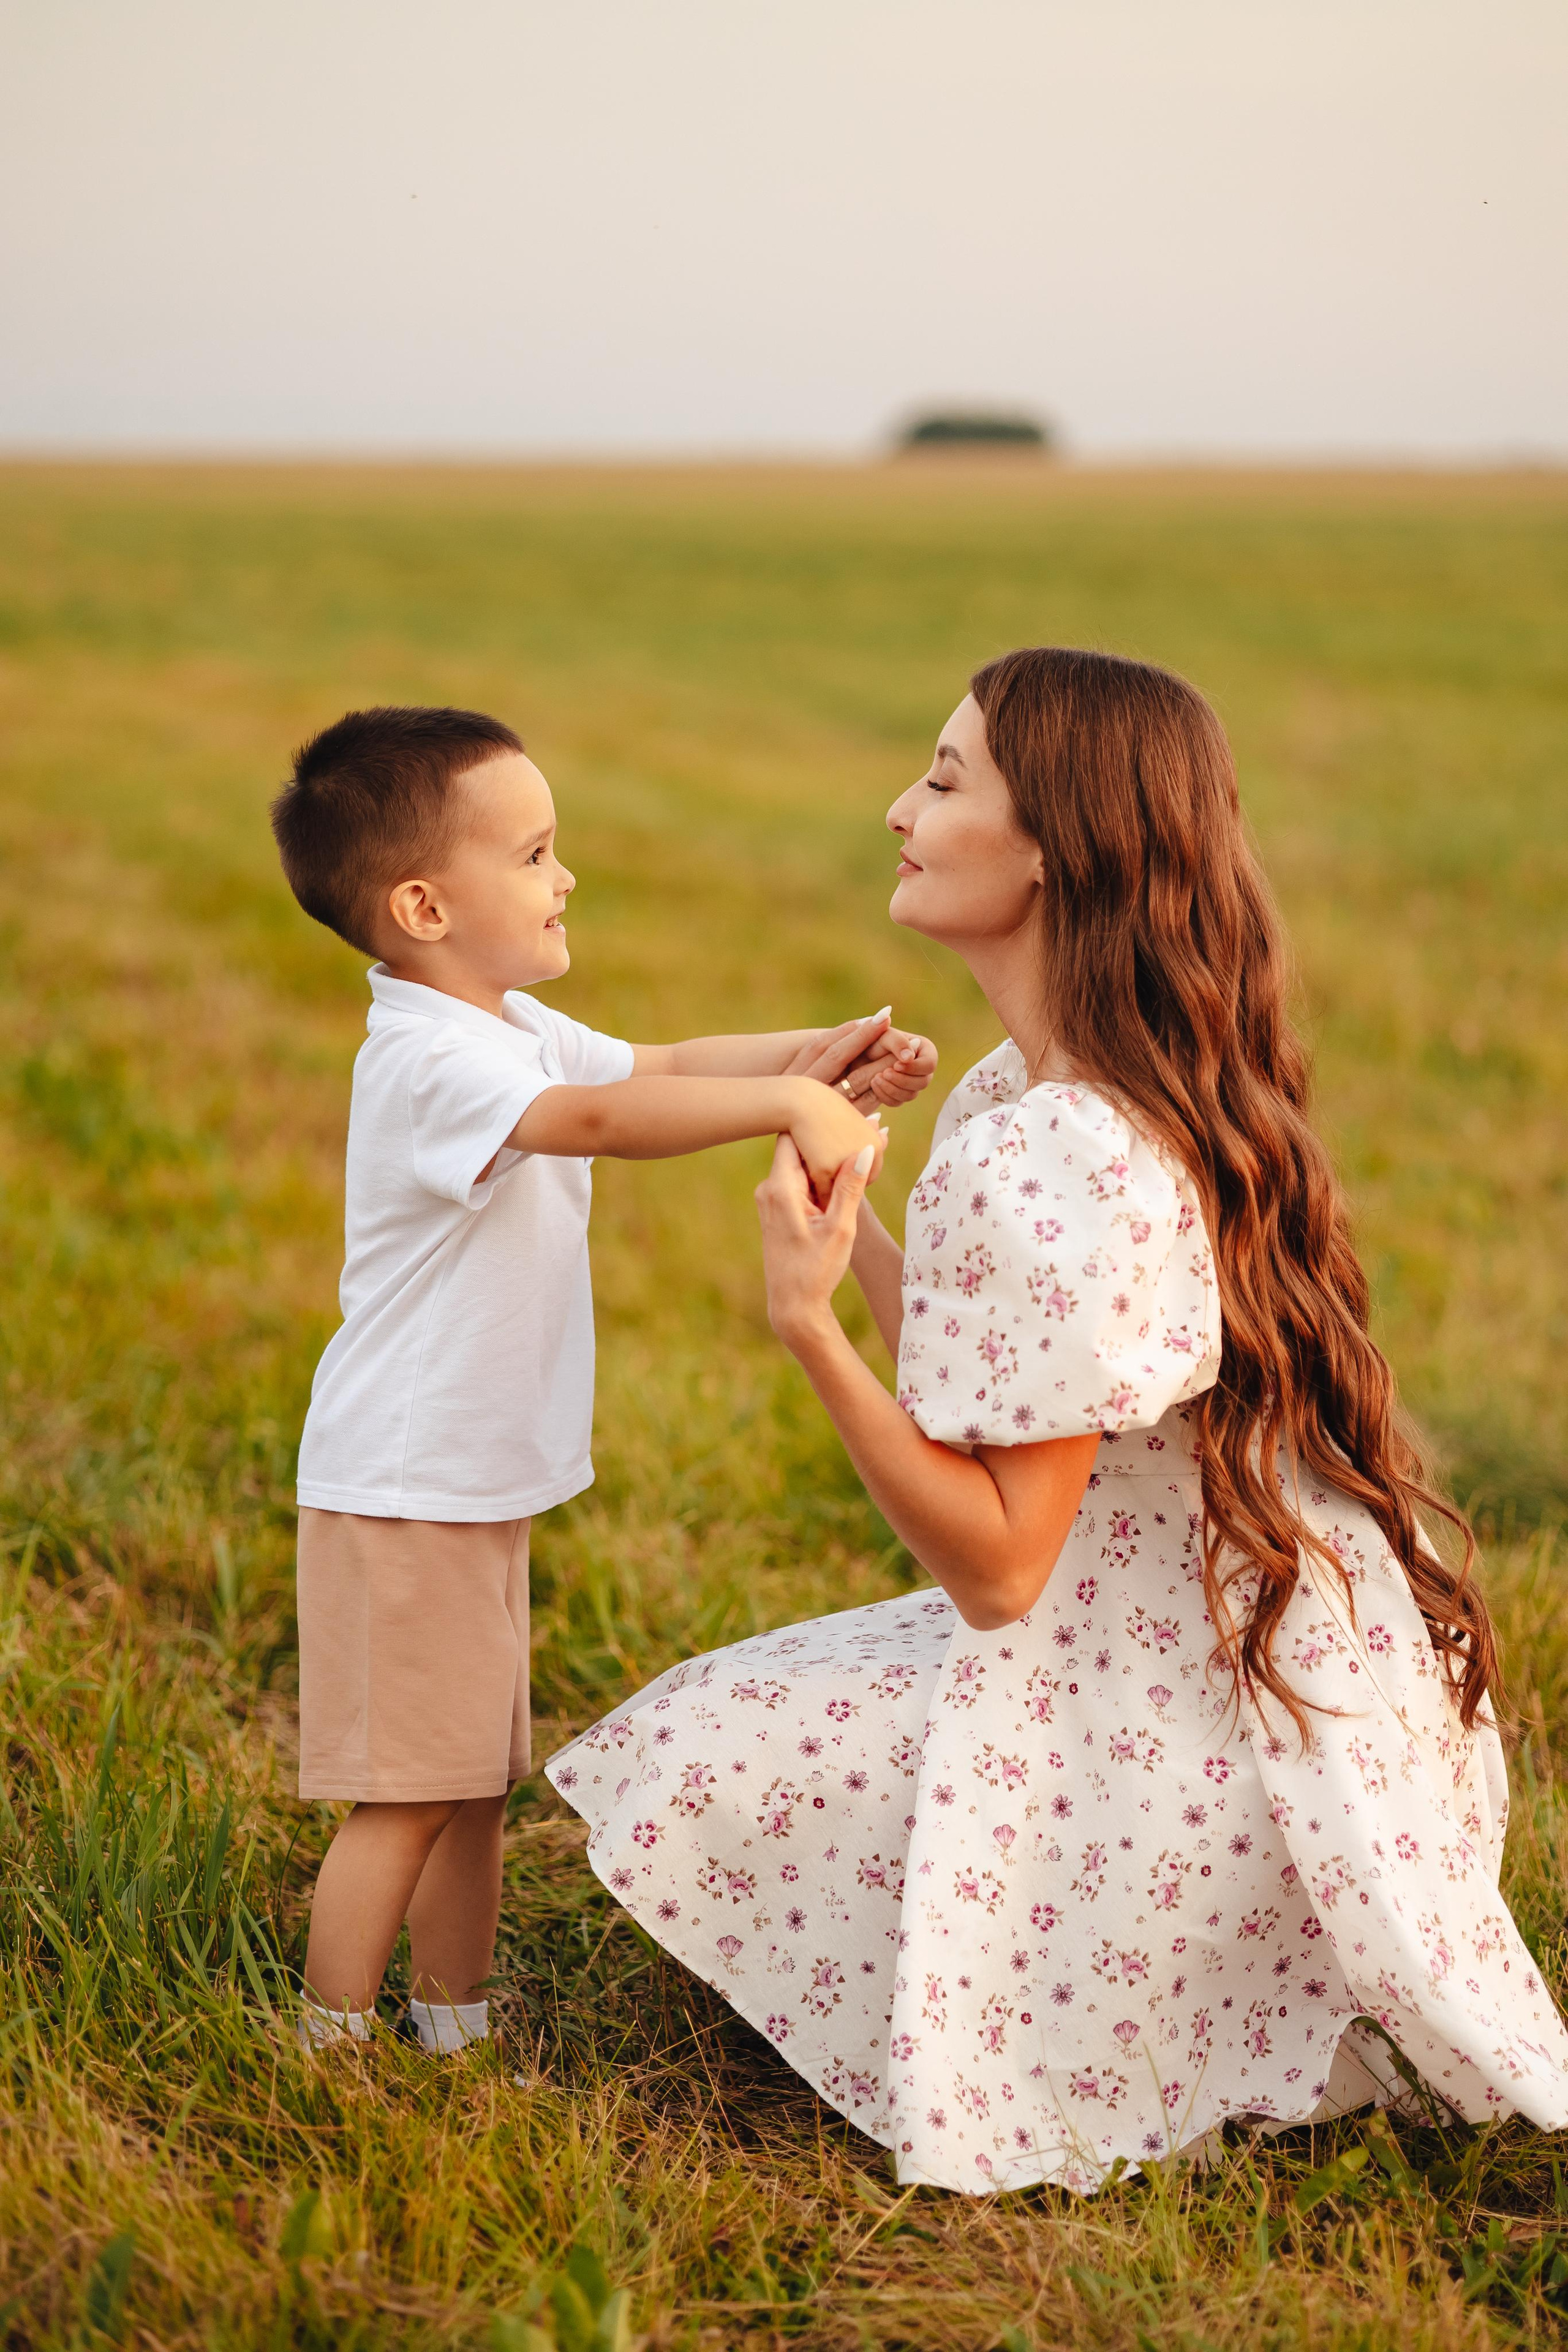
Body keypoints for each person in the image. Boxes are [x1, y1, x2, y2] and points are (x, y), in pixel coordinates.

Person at [546, 647, 1568, 2194]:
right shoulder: (1038, 1096)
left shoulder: (1054, 1156)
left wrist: (805, 1323)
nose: (899, 809)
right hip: (1228, 1660)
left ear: (1053, 850)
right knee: (734, 1729)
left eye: (945, 781)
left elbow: (1002, 1567)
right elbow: (1002, 1382)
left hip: (1178, 1714)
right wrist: (867, 1235)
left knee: (702, 1753)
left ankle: (1176, 1962)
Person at [268, 704, 936, 2057]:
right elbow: (601, 1122)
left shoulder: (502, 1024)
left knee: (468, 1780)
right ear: (422, 905)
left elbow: (667, 1066)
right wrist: (786, 1112)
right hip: (407, 1486)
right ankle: (324, 2046)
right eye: (533, 853)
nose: (563, 876)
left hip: (462, 1482)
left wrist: (821, 1056)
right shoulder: (431, 1059)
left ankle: (454, 2019)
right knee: (406, 1792)